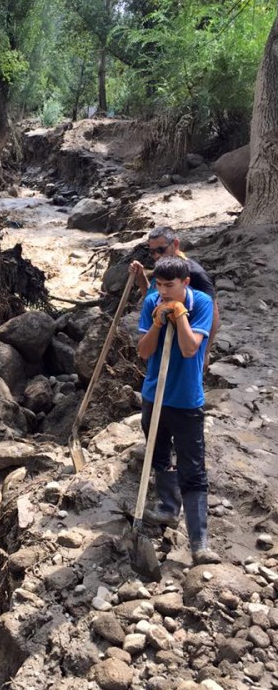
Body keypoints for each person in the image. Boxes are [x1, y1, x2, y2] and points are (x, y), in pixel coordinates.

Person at [137, 255, 220, 566]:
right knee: (158, 454)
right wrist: (158, 322)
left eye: (169, 286)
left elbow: (188, 348)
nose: (163, 291)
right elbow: (144, 351)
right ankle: (169, 508)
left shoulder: (201, 304)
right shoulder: (152, 302)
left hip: (186, 399)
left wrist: (180, 315)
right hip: (154, 395)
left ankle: (199, 543)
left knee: (193, 468)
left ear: (185, 282)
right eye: (158, 284)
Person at [129, 225, 219, 369]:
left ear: (175, 244)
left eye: (161, 250)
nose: (157, 255)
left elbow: (213, 311)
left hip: (183, 341)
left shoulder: (195, 273)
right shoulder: (161, 268)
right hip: (157, 338)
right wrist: (140, 276)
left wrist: (206, 351)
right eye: (152, 252)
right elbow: (152, 297)